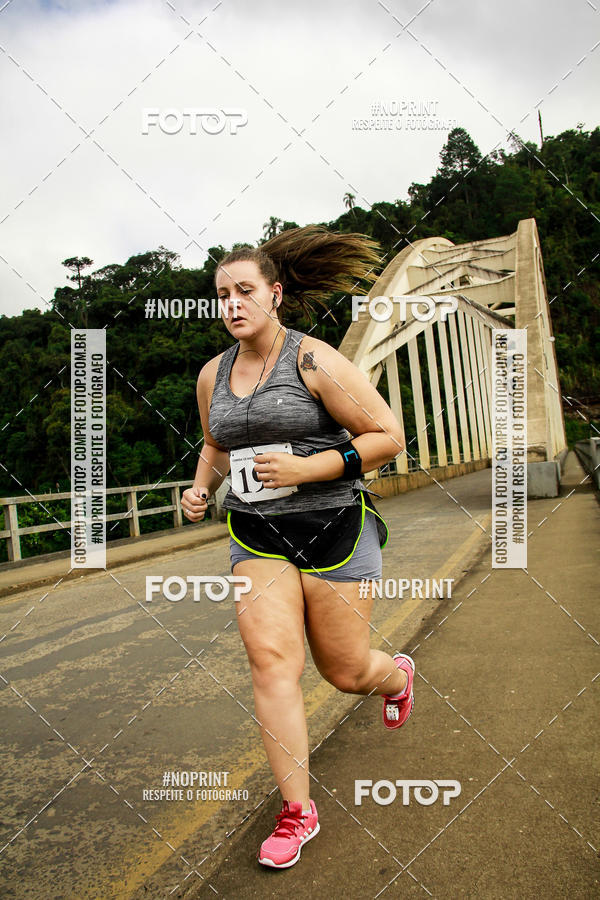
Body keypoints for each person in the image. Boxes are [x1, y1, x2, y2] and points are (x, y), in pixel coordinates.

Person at [181, 225, 415, 869]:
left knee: (345, 672)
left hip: (334, 528)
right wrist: (200, 490)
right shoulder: (212, 376)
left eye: (244, 291)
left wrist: (306, 469)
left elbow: (388, 436)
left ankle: (395, 676)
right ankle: (297, 811)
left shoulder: (314, 361)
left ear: (274, 294)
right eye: (221, 294)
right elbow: (216, 444)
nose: (230, 304)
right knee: (271, 662)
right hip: (257, 535)